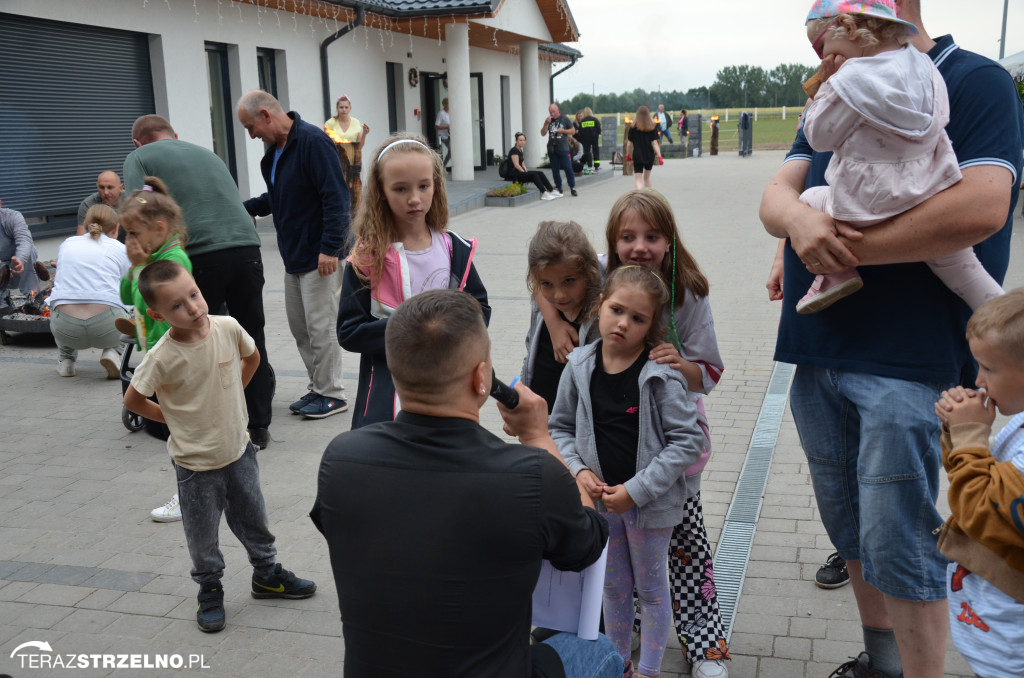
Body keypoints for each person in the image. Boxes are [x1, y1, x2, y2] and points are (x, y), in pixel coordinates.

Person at [758, 0, 1024, 674]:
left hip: (910, 359)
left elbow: (983, 206)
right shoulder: (843, 76)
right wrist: (797, 225)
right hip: (818, 351)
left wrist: (832, 250)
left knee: (899, 535)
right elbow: (781, 191)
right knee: (849, 527)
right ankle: (882, 662)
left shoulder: (973, 79)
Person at [312, 288, 621, 678]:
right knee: (601, 651)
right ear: (481, 378)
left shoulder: (341, 459)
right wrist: (540, 438)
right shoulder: (532, 475)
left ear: (395, 369)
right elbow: (590, 542)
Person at [539, 190, 729, 678]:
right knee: (618, 580)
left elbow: (710, 371)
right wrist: (552, 317)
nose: (639, 246)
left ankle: (705, 644)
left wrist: (677, 363)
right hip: (607, 474)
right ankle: (620, 654)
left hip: (668, 455)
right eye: (628, 236)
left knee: (684, 555)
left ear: (670, 240)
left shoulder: (688, 289)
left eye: (652, 236)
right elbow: (548, 272)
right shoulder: (601, 275)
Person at [123, 260, 317, 634]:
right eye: (177, 305)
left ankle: (266, 574)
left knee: (255, 519)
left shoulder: (226, 327)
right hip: (195, 465)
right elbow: (133, 399)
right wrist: (173, 419)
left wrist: (234, 398)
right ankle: (209, 587)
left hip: (240, 450)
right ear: (157, 313)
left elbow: (253, 357)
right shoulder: (161, 356)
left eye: (193, 295)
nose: (193, 307)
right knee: (202, 535)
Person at [789, 0, 1001, 315]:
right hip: (929, 193)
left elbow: (819, 138)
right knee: (964, 268)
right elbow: (940, 115)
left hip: (869, 201)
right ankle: (1007, 325)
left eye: (822, 48)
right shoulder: (924, 67)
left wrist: (826, 85)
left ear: (847, 28)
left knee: (809, 199)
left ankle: (837, 272)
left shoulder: (851, 80)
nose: (824, 59)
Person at [124, 114, 275, 450]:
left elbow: (137, 208)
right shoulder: (208, 153)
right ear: (173, 135)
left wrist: (139, 258)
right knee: (250, 335)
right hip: (247, 247)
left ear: (138, 142)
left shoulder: (139, 157)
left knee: (195, 338)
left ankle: (199, 421)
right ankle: (259, 427)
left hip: (201, 253)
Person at [337, 134, 490, 429]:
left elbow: (480, 311)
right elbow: (349, 331)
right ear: (381, 191)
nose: (414, 199)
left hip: (450, 388)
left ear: (436, 184)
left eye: (423, 186)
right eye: (400, 189)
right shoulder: (367, 258)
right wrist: (416, 333)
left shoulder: (456, 250)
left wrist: (446, 334)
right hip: (384, 397)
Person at [238, 89, 350, 420]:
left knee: (321, 326)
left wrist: (330, 248)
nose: (252, 134)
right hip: (294, 255)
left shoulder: (313, 142)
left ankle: (332, 393)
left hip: (320, 255)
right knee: (301, 328)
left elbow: (336, 196)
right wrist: (247, 207)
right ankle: (318, 387)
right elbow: (278, 196)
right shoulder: (275, 153)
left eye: (251, 126)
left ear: (266, 115)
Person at [934, 289, 1024, 678]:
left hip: (1010, 649)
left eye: (988, 367)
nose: (977, 379)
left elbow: (982, 511)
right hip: (997, 635)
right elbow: (975, 483)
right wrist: (959, 437)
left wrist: (970, 435)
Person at [521, 220, 601, 412]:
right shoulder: (543, 307)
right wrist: (521, 399)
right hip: (540, 415)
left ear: (588, 272)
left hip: (574, 425)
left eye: (569, 281)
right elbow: (533, 352)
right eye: (547, 284)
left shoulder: (602, 316)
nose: (559, 295)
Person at [47, 204, 130, 379]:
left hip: (65, 330)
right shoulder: (120, 249)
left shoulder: (67, 244)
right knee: (131, 304)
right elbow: (128, 287)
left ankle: (66, 362)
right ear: (117, 228)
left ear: (85, 224)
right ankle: (114, 352)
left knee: (57, 302)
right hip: (108, 328)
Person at [118, 178, 192, 353]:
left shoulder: (173, 260)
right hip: (156, 344)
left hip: (173, 348)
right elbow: (127, 297)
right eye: (127, 233)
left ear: (159, 228)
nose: (128, 240)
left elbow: (145, 303)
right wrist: (133, 269)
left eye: (134, 233)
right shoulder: (150, 257)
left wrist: (138, 267)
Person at [324, 94, 369, 218]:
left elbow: (360, 146)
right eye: (341, 107)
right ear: (337, 108)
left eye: (346, 107)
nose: (343, 110)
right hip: (337, 160)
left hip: (354, 160)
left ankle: (356, 219)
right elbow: (326, 143)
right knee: (339, 186)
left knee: (355, 190)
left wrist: (364, 133)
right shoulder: (330, 123)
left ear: (350, 108)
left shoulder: (356, 123)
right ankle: (340, 214)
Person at [0, 199, 46, 297]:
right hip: (1, 271)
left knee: (30, 250)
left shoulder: (12, 217)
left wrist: (20, 259)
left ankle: (32, 297)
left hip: (16, 267)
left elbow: (24, 240)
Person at [540, 103, 577, 197]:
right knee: (555, 169)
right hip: (552, 148)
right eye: (550, 112)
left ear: (558, 110)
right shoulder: (549, 120)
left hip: (563, 148)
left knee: (568, 167)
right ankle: (559, 187)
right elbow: (542, 133)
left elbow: (573, 130)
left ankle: (572, 187)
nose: (552, 114)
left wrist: (563, 131)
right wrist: (546, 123)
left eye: (553, 111)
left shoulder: (565, 119)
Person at [508, 133, 559, 200]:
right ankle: (544, 193)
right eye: (520, 140)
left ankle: (551, 190)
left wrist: (525, 170)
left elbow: (522, 163)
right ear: (516, 141)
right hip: (514, 174)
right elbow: (516, 165)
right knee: (534, 175)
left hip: (520, 172)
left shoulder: (520, 150)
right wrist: (525, 173)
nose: (522, 142)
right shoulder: (514, 150)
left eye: (524, 140)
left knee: (540, 173)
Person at [626, 107, 663, 190]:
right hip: (649, 155)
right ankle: (649, 196)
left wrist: (628, 155)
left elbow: (629, 144)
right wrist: (659, 156)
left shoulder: (633, 127)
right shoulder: (652, 127)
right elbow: (655, 143)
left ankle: (640, 197)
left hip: (637, 155)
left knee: (638, 180)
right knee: (647, 178)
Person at [577, 107, 603, 172]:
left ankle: (589, 166)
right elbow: (599, 129)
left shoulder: (582, 121)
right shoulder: (595, 120)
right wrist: (599, 132)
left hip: (585, 139)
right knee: (595, 151)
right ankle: (596, 166)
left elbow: (580, 132)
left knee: (587, 152)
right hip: (594, 138)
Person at [434, 97, 451, 170]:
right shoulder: (441, 113)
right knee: (451, 150)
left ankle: (443, 166)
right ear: (444, 104)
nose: (449, 105)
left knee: (452, 151)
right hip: (444, 136)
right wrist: (446, 127)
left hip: (451, 134)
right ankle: (443, 166)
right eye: (447, 103)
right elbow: (436, 126)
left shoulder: (452, 112)